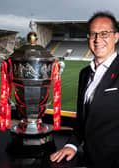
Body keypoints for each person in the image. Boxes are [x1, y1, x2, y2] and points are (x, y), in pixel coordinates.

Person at [50, 11, 119, 168]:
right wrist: (72, 145)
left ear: (116, 37)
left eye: (104, 33)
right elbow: (82, 121)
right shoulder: (84, 74)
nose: (97, 39)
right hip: (88, 160)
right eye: (93, 34)